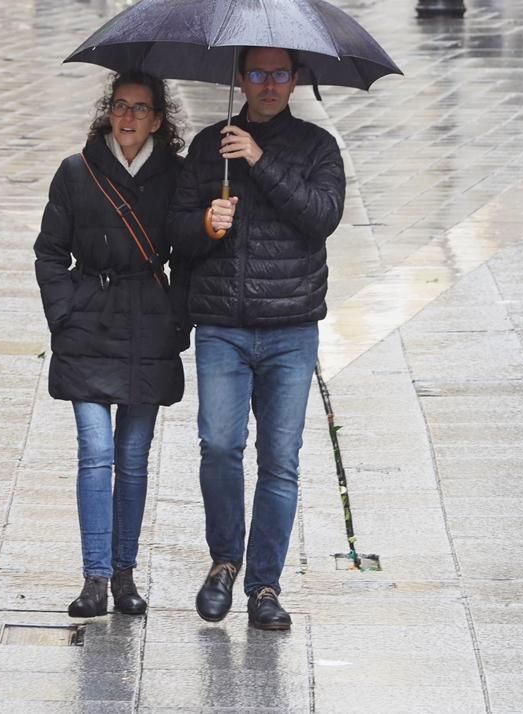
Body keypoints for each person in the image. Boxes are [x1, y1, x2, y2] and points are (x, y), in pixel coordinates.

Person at [168, 47, 347, 632]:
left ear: (294, 80)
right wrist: (204, 226)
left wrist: (261, 159)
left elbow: (322, 216)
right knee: (219, 445)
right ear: (240, 79)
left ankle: (264, 584)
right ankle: (224, 560)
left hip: (291, 328)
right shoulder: (207, 147)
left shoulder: (318, 148)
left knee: (280, 460)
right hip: (222, 325)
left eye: (279, 74)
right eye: (257, 73)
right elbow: (178, 234)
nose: (268, 84)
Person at [35, 73, 188, 620]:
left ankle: (125, 574)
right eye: (119, 105)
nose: (127, 117)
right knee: (96, 451)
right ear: (108, 112)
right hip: (88, 324)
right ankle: (95, 576)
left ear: (158, 120)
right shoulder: (77, 173)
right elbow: (49, 252)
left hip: (148, 321)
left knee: (132, 457)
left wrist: (180, 320)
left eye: (140, 108)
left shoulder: (176, 175)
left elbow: (189, 253)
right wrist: (63, 315)